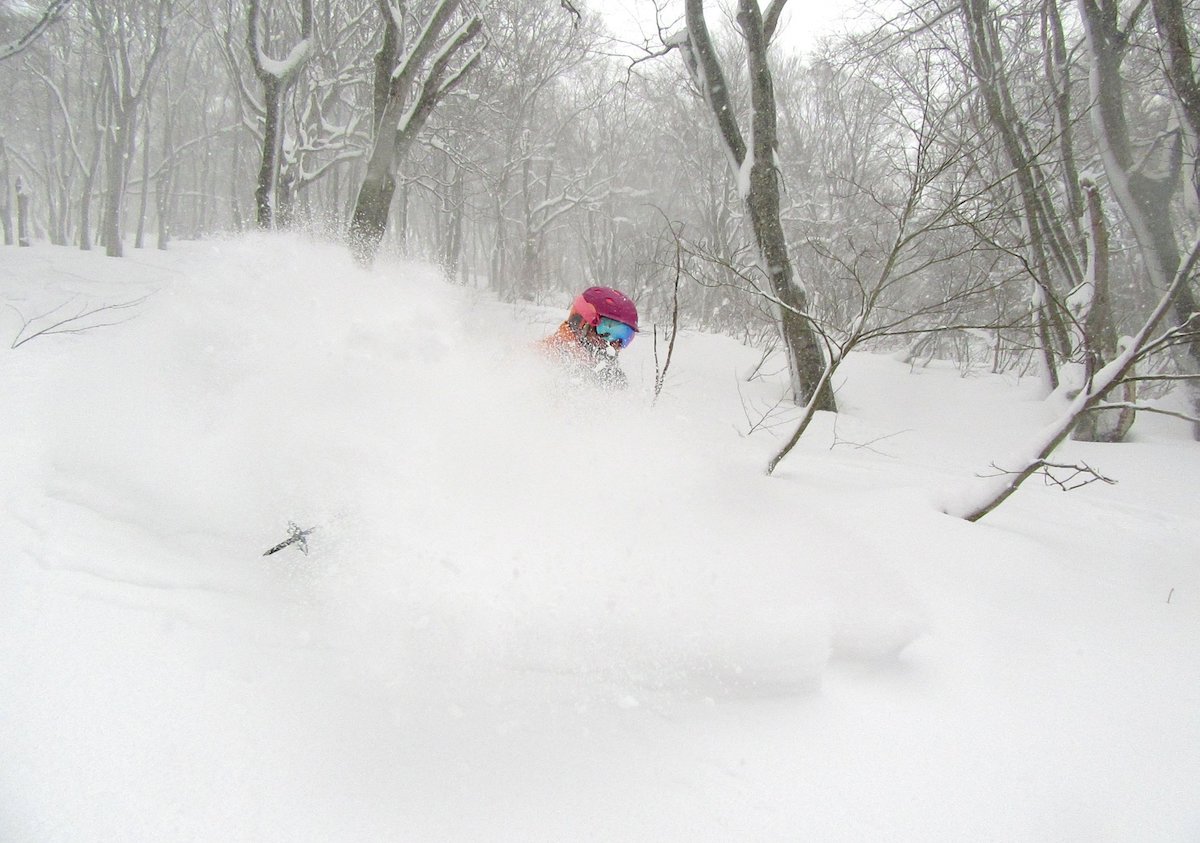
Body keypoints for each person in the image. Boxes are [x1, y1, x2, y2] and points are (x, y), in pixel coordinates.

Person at [539, 286, 639, 389]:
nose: (615, 343)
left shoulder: (611, 375)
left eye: (625, 335)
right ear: (581, 323)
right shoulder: (546, 358)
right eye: (608, 330)